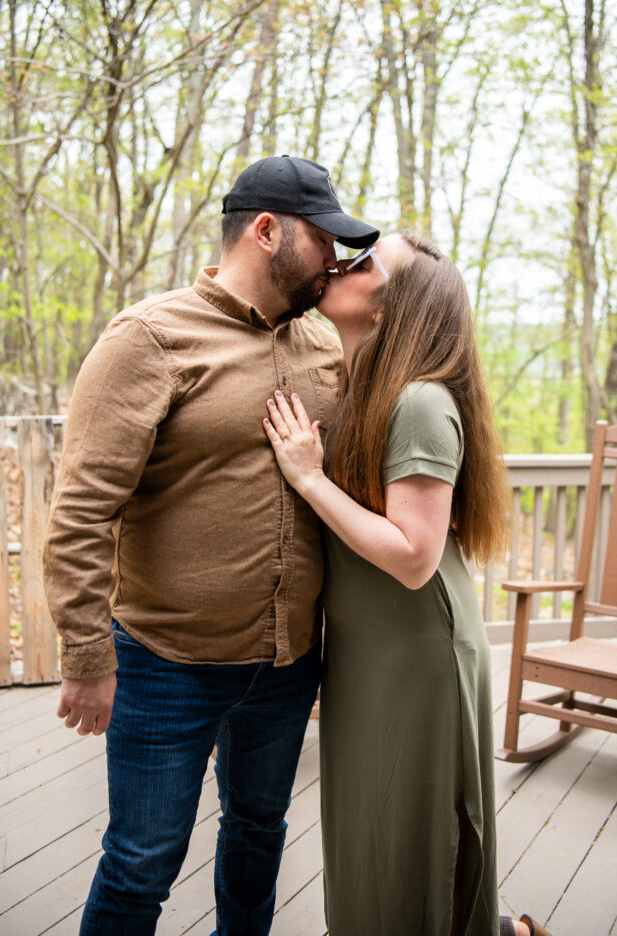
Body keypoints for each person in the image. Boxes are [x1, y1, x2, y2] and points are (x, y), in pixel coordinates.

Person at [43, 154, 379, 936]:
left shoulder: (323, 346)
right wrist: (89, 658)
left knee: (259, 833)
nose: (333, 258)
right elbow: (81, 511)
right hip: (166, 665)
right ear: (266, 232)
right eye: (323, 238)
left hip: (288, 663)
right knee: (140, 861)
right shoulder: (148, 339)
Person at [263, 229, 553, 936]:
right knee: (369, 832)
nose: (340, 263)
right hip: (368, 651)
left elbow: (412, 554)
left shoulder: (420, 402)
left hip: (420, 652)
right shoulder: (362, 383)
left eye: (363, 263)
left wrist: (307, 478)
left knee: (415, 841)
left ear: (391, 309)